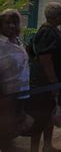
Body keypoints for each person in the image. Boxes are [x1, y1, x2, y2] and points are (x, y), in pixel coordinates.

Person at [28, 2, 61, 152]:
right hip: (46, 84)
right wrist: (53, 81)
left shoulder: (52, 30)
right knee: (40, 117)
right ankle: (34, 149)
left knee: (49, 114)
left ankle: (47, 145)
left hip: (52, 82)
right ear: (56, 17)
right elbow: (45, 58)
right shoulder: (47, 32)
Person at [0, 9, 32, 151]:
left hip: (21, 95)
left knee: (12, 132)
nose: (11, 26)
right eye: (7, 23)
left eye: (14, 22)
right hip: (5, 99)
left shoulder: (18, 42)